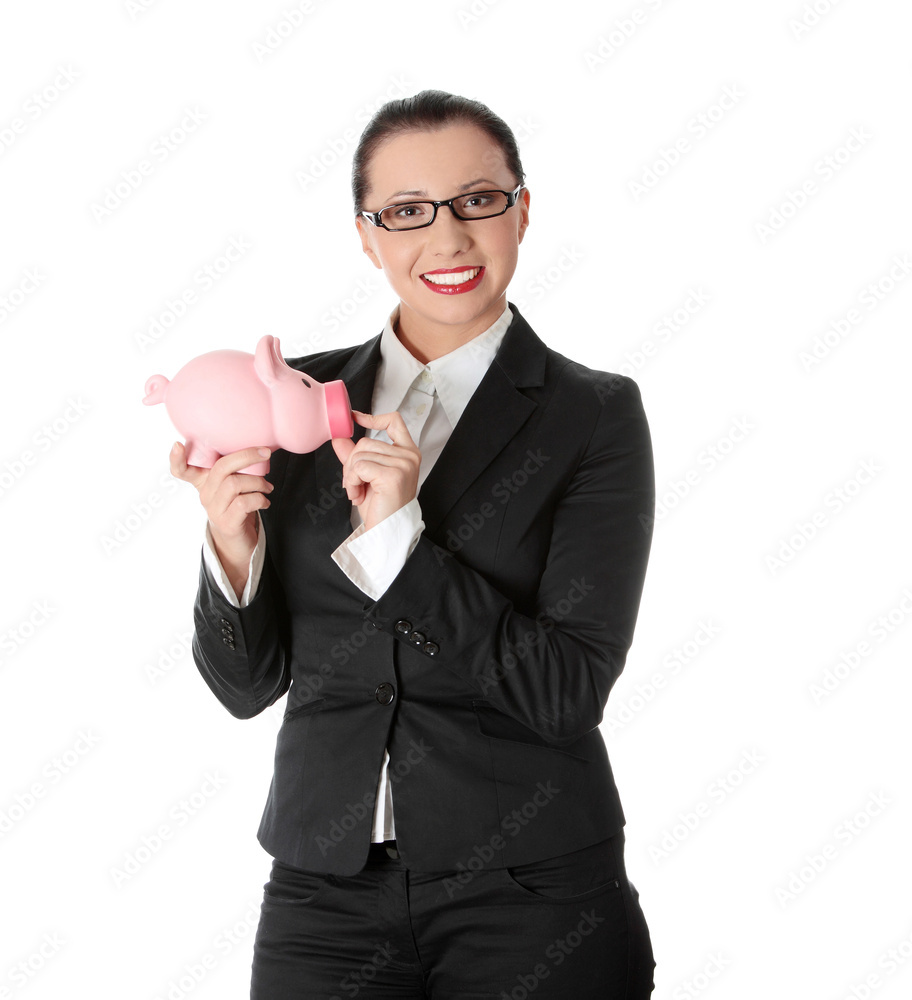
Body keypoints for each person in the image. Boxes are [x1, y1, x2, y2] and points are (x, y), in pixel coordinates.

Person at [171, 89, 657, 999]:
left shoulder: (593, 413)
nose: (447, 237)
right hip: (322, 896)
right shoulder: (294, 401)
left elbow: (566, 690)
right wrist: (232, 546)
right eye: (406, 212)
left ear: (522, 209)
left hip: (533, 893)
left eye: (478, 199)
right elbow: (245, 688)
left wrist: (399, 539)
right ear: (367, 236)